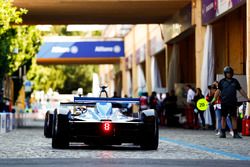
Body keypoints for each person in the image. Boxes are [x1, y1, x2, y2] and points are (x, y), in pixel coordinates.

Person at [213, 66, 250, 138]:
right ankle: (223, 133)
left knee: (234, 117)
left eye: (230, 73)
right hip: (224, 102)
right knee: (223, 117)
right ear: (225, 74)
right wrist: (213, 100)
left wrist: (247, 98)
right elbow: (218, 91)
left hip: (233, 102)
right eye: (227, 73)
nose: (229, 74)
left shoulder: (235, 81)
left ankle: (235, 133)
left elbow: (241, 90)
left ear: (232, 73)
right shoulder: (222, 82)